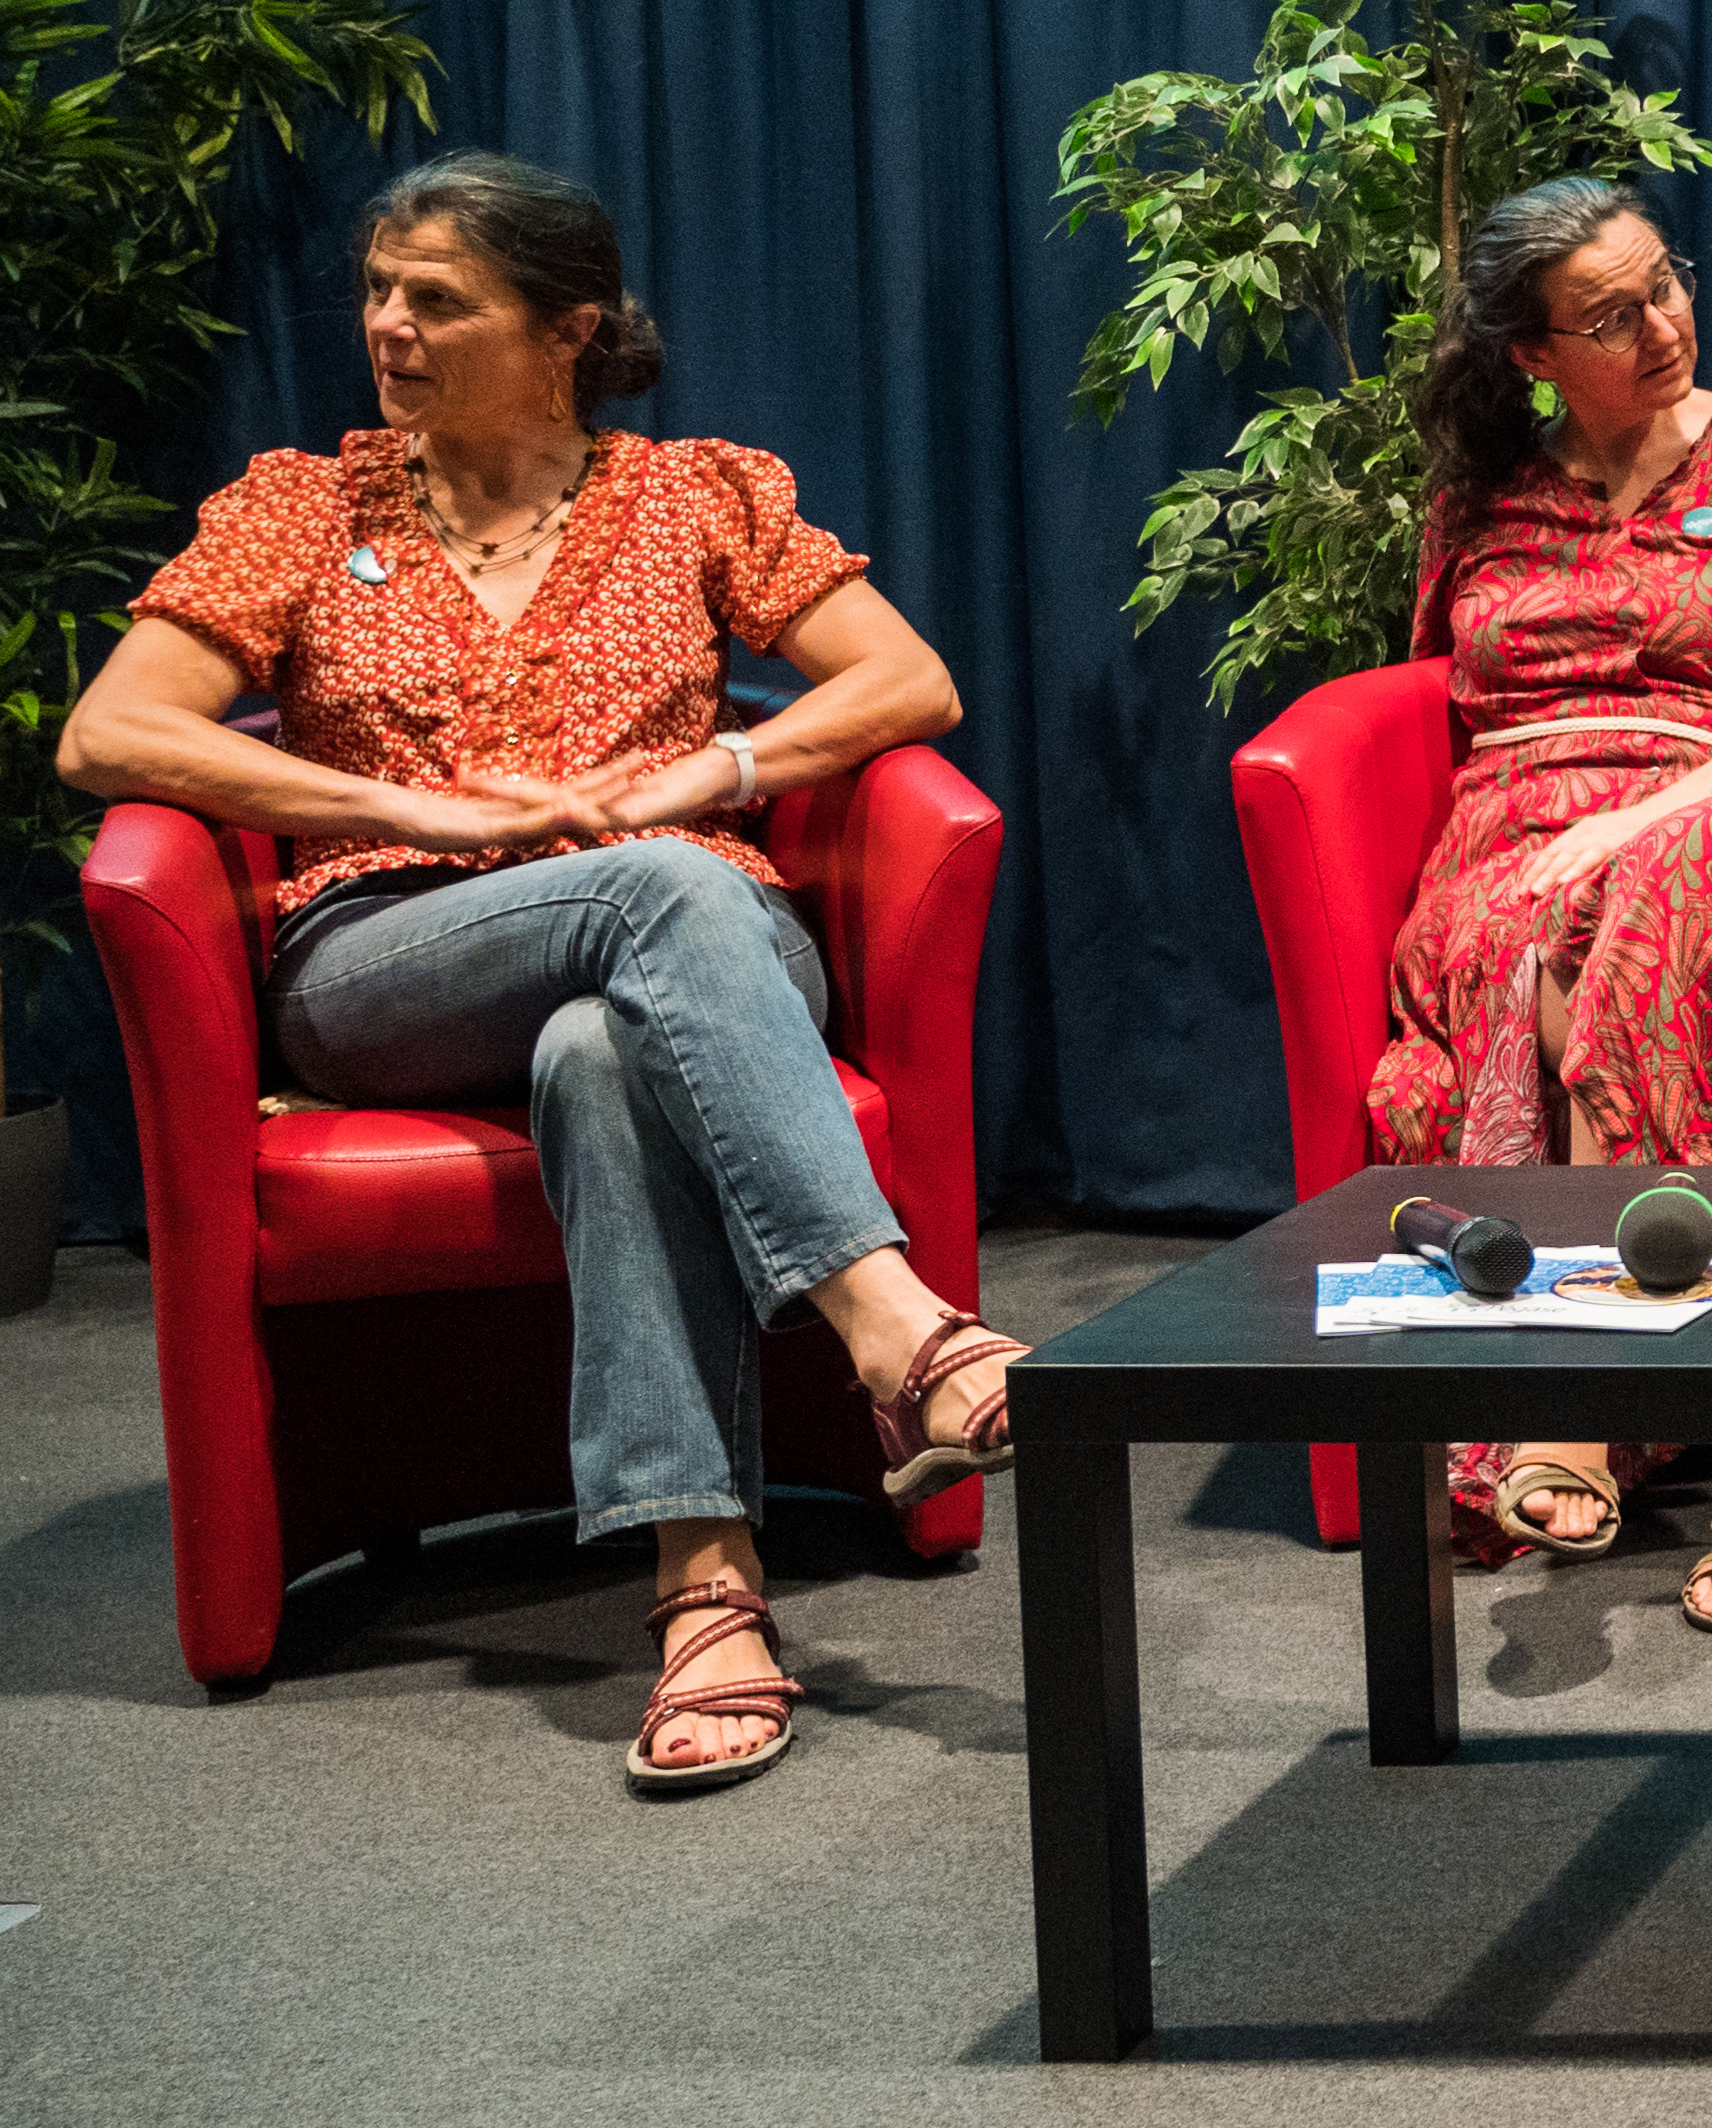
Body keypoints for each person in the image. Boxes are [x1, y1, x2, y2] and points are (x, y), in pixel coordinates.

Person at [59, 154, 1009, 1795]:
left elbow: (908, 684)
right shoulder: (303, 506)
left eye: (439, 299)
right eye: (380, 291)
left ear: (566, 329)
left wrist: (695, 782)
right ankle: (895, 1329)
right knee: (641, 908)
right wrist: (393, 804)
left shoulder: (701, 494)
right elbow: (113, 733)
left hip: (695, 926)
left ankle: (704, 1588)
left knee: (602, 1047)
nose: (390, 328)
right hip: (387, 960)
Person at [1381, 179, 1712, 1637]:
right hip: (1511, 849)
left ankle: (1607, 1401)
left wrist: (1650, 812)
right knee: (1582, 925)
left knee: (1687, 876)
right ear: (1533, 353)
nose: (1661, 325)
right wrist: (1574, 835)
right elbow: (1433, 703)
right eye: (1611, 316)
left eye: (1665, 284)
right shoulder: (1478, 497)